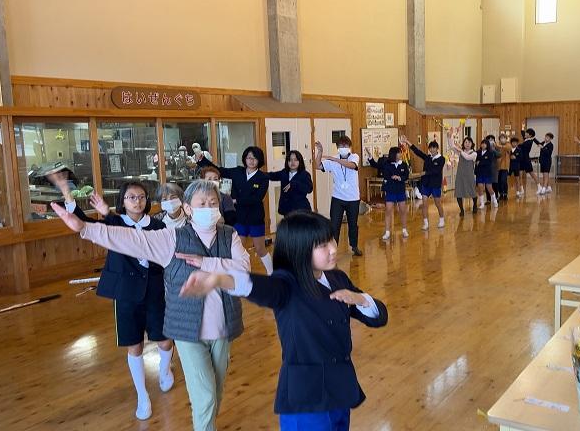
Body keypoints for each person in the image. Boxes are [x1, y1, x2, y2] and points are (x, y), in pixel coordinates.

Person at [51, 180, 251, 431]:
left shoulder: (229, 235)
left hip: (222, 327)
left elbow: (243, 269)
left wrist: (205, 263)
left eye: (213, 203)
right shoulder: (172, 237)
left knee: (215, 392)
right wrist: (85, 228)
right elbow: (131, 239)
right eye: (202, 203)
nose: (209, 208)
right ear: (188, 208)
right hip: (187, 329)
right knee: (206, 395)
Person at [177, 211, 388, 431]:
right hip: (307, 398)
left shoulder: (338, 278)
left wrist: (360, 299)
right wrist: (220, 279)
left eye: (331, 240)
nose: (333, 249)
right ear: (299, 250)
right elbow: (259, 286)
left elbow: (379, 317)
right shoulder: (287, 284)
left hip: (340, 390)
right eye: (322, 245)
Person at [52, 177, 174, 421]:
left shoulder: (158, 226)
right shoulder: (114, 222)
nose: (137, 202)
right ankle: (142, 395)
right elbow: (83, 223)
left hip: (155, 291)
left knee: (164, 340)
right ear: (123, 201)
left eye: (141, 197)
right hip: (126, 294)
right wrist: (67, 193)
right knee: (134, 344)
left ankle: (164, 370)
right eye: (131, 197)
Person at [197, 146, 272, 274]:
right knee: (239, 249)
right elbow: (220, 170)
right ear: (245, 159)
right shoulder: (238, 171)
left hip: (255, 217)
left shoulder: (263, 177)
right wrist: (202, 160)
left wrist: (236, 201)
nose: (251, 161)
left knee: (260, 249)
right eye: (249, 158)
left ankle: (272, 273)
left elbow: (257, 198)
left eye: (254, 158)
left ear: (259, 160)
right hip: (239, 217)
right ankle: (242, 275)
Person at [314, 137, 363, 256]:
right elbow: (318, 166)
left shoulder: (354, 157)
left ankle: (354, 246)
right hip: (338, 198)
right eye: (341, 146)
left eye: (345, 145)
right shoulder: (333, 159)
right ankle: (333, 249)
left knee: (353, 224)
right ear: (337, 147)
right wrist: (320, 152)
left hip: (353, 198)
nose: (343, 148)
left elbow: (352, 166)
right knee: (334, 225)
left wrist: (334, 159)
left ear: (350, 147)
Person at [367, 146, 410, 240]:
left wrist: (400, 178)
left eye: (400, 152)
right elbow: (375, 165)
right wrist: (370, 156)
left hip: (400, 190)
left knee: (403, 210)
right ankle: (387, 232)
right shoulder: (386, 163)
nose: (400, 154)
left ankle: (404, 229)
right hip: (390, 190)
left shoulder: (403, 164)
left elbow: (407, 176)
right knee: (388, 210)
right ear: (394, 154)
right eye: (398, 152)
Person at [406, 137, 446, 230]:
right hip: (426, 184)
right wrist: (407, 142)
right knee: (424, 203)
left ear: (437, 148)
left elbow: (436, 170)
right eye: (430, 148)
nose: (432, 150)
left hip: (435, 184)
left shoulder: (441, 159)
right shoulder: (428, 157)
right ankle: (425, 223)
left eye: (433, 148)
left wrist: (425, 173)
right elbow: (417, 152)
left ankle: (441, 219)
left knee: (437, 203)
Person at [267, 150, 313, 218]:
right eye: (290, 160)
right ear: (287, 162)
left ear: (300, 161)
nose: (292, 162)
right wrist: (259, 174)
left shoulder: (305, 174)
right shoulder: (284, 172)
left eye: (295, 160)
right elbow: (272, 175)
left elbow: (309, 189)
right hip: (287, 209)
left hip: (301, 209)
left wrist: (294, 184)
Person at [452, 136, 478, 216]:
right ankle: (461, 210)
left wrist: (460, 150)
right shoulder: (461, 152)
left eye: (469, 142)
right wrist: (449, 137)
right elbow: (452, 146)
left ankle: (475, 205)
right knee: (459, 192)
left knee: (472, 192)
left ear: (472, 144)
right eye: (466, 142)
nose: (467, 144)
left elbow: (467, 157)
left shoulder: (474, 153)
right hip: (460, 176)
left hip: (469, 176)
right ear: (463, 144)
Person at [474, 138, 498, 209]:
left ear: (487, 145)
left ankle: (495, 200)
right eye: (482, 143)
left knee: (489, 187)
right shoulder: (477, 152)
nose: (483, 145)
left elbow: (488, 162)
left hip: (487, 172)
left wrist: (480, 162)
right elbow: (476, 161)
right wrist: (480, 162)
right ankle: (482, 203)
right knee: (480, 187)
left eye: (485, 144)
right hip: (479, 172)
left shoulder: (490, 153)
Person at [519, 129, 540, 194]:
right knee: (519, 175)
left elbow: (521, 146)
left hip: (526, 160)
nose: (525, 134)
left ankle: (539, 187)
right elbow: (522, 132)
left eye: (527, 133)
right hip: (521, 160)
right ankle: (521, 189)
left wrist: (533, 138)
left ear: (530, 135)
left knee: (532, 174)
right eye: (525, 133)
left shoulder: (529, 142)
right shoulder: (526, 140)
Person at [494, 133, 512, 201]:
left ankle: (505, 193)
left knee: (503, 180)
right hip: (498, 166)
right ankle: (501, 193)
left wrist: (499, 146)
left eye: (504, 138)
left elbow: (508, 148)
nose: (502, 139)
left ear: (506, 139)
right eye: (501, 138)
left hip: (505, 166)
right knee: (498, 181)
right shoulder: (497, 146)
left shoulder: (508, 145)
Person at [486, 135, 502, 202]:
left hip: (494, 168)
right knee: (487, 183)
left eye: (492, 139)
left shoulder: (496, 148)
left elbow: (499, 155)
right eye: (489, 140)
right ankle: (488, 199)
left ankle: (496, 197)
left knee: (495, 183)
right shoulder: (485, 148)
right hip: (487, 168)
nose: (490, 141)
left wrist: (493, 149)